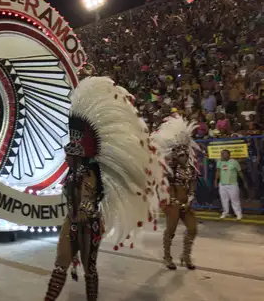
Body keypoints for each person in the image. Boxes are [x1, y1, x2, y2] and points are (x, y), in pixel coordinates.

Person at [43, 77, 166, 301]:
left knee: (90, 270)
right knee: (60, 265)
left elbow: (92, 197)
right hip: (71, 223)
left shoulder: (91, 172)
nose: (67, 157)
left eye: (70, 153)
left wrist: (85, 215)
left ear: (78, 155)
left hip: (89, 225)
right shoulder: (72, 172)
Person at [151, 116, 199, 270]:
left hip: (186, 202)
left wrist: (191, 196)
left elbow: (192, 182)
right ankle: (167, 256)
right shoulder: (170, 169)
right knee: (170, 230)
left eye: (185, 155)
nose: (184, 158)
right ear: (176, 156)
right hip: (173, 203)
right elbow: (165, 185)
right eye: (181, 156)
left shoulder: (190, 169)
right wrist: (173, 200)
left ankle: (186, 255)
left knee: (193, 228)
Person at [215, 149, 247, 220]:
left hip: (232, 185)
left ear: (229, 155)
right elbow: (218, 171)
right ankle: (225, 213)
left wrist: (244, 181)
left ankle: (238, 214)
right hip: (222, 184)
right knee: (224, 200)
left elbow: (240, 172)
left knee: (235, 200)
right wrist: (215, 180)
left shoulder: (234, 162)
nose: (222, 155)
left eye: (224, 154)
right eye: (221, 154)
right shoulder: (219, 162)